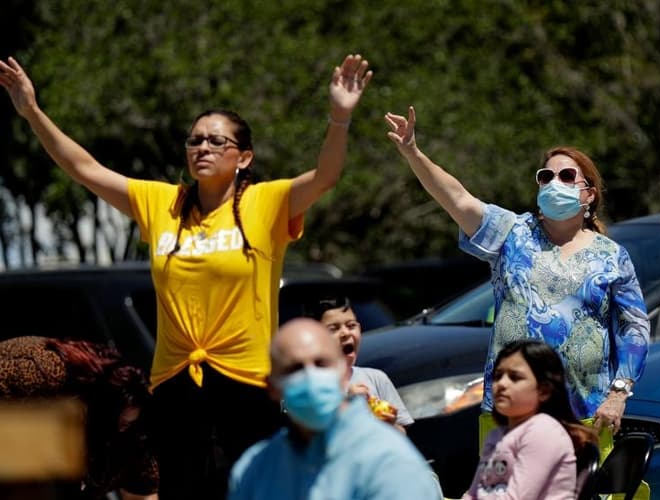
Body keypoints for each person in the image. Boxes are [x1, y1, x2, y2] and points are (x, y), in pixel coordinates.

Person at [0, 53, 373, 499]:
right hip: (176, 385)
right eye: (195, 140)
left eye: (217, 142)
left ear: (244, 157)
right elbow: (86, 170)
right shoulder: (162, 203)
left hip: (248, 384)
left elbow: (326, 176)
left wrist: (339, 119)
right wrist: (32, 112)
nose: (203, 148)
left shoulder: (266, 203)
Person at [384, 107, 650, 454]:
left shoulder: (611, 256)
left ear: (589, 194)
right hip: (508, 416)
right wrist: (413, 152)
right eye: (546, 176)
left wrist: (618, 394)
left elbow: (635, 327)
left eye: (567, 176)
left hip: (583, 414)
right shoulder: (511, 233)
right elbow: (457, 197)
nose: (555, 184)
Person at [228, 318, 442, 500]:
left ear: (343, 372)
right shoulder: (254, 468)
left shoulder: (390, 463)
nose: (310, 377)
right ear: (273, 388)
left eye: (321, 364)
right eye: (294, 369)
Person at [0, 336, 158, 500]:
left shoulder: (129, 440)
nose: (121, 430)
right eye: (120, 423)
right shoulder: (41, 372)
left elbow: (144, 491)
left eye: (127, 425)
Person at [463, 339, 597, 500]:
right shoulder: (496, 435)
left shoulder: (543, 432)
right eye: (498, 376)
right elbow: (473, 493)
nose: (501, 384)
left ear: (544, 391)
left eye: (515, 377)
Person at [312, 296, 414, 430]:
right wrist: (347, 406)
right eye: (333, 329)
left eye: (351, 326)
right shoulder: (310, 387)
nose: (345, 333)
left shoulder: (377, 378)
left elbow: (402, 435)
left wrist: (389, 424)